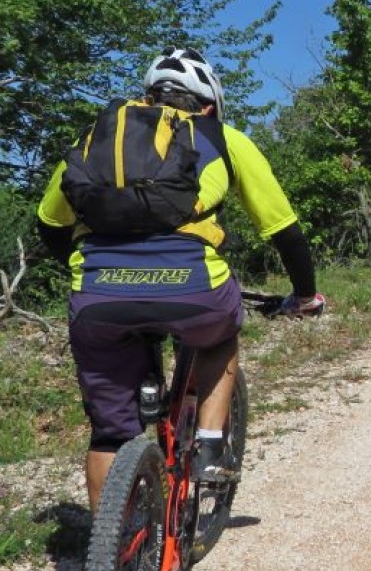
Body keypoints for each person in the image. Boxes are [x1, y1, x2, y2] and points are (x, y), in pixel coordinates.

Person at [36, 47, 324, 512]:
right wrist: (305, 295)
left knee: (109, 432)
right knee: (220, 332)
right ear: (208, 106)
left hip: (96, 295)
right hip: (194, 289)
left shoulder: (100, 138)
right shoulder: (225, 139)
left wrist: (85, 274)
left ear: (148, 97)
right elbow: (284, 231)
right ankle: (210, 446)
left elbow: (49, 224)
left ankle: (117, 557)